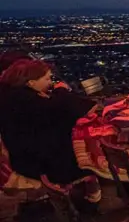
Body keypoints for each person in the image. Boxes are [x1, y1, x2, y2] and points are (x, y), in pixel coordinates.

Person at [0, 59, 101, 209]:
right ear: (31, 82)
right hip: (38, 162)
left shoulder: (13, 97)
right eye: (47, 78)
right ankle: (92, 198)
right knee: (90, 156)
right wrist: (62, 90)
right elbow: (64, 110)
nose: (50, 82)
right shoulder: (27, 101)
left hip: (25, 156)